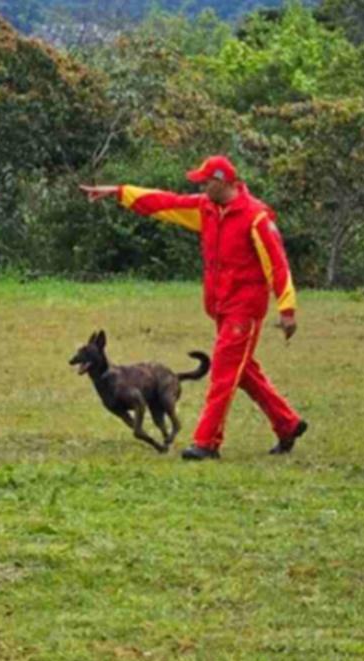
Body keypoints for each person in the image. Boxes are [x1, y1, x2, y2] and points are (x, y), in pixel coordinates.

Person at [80, 155, 307, 460]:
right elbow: (166, 203)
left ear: (222, 182)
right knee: (243, 371)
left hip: (245, 309)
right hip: (221, 306)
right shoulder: (207, 209)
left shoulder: (256, 218)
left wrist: (287, 309)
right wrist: (121, 192)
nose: (201, 186)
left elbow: (277, 264)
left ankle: (206, 442)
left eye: (205, 181)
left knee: (225, 373)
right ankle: (287, 423)